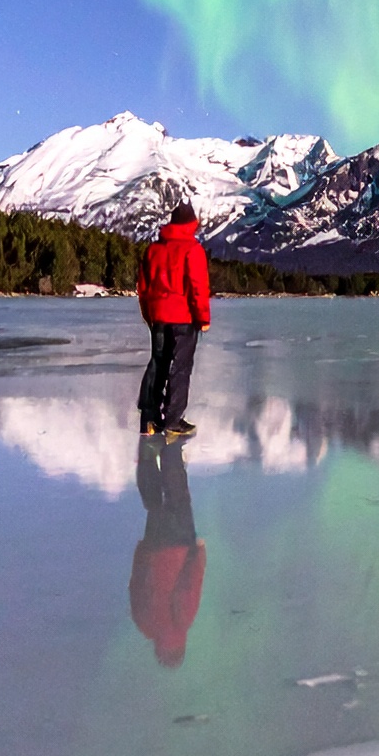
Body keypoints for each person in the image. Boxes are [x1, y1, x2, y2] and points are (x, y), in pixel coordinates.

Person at [136, 199, 211, 437]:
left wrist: (149, 314)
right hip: (184, 318)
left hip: (158, 316)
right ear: (192, 224)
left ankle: (149, 418)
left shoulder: (153, 250)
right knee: (180, 367)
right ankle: (172, 419)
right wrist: (203, 318)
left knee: (157, 363)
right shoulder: (192, 249)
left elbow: (144, 287)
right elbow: (198, 286)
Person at [129, 439, 205, 667]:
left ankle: (171, 446)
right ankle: (147, 445)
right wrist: (142, 551)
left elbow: (188, 589)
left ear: (181, 648)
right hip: (153, 548)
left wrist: (199, 555)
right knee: (154, 503)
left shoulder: (182, 623)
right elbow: (135, 585)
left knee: (178, 497)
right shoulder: (144, 625)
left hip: (180, 547)